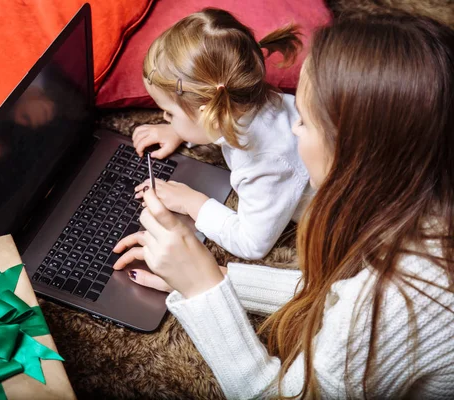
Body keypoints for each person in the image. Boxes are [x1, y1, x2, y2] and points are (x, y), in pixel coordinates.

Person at [113, 13, 454, 398]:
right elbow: (333, 292)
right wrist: (212, 276)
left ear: (358, 153)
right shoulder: (418, 217)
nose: (291, 130)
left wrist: (203, 291)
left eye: (305, 121)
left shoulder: (388, 304)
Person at [132, 8, 314, 262]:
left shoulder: (264, 163)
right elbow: (211, 120)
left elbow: (252, 244)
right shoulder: (251, 99)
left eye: (169, 113)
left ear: (210, 116)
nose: (164, 118)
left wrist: (192, 202)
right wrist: (180, 130)